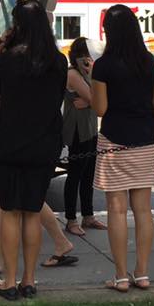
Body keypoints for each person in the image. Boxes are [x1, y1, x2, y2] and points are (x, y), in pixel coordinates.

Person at [0, 0, 68, 301]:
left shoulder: (6, 60)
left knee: (9, 211)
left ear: (17, 25)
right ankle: (30, 280)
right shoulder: (59, 61)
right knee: (32, 212)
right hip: (44, 143)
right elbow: (57, 97)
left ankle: (9, 280)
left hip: (7, 142)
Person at [89, 5, 154, 292]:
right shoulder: (149, 61)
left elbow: (101, 108)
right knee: (143, 210)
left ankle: (120, 276)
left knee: (116, 210)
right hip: (146, 139)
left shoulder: (103, 65)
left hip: (114, 140)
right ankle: (141, 272)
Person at [62, 37, 103, 236]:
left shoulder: (85, 73)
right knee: (75, 174)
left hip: (90, 127)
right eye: (87, 55)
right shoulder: (73, 74)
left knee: (88, 174)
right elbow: (94, 97)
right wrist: (92, 101)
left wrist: (90, 103)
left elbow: (98, 99)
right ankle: (71, 219)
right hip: (78, 129)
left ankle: (88, 215)